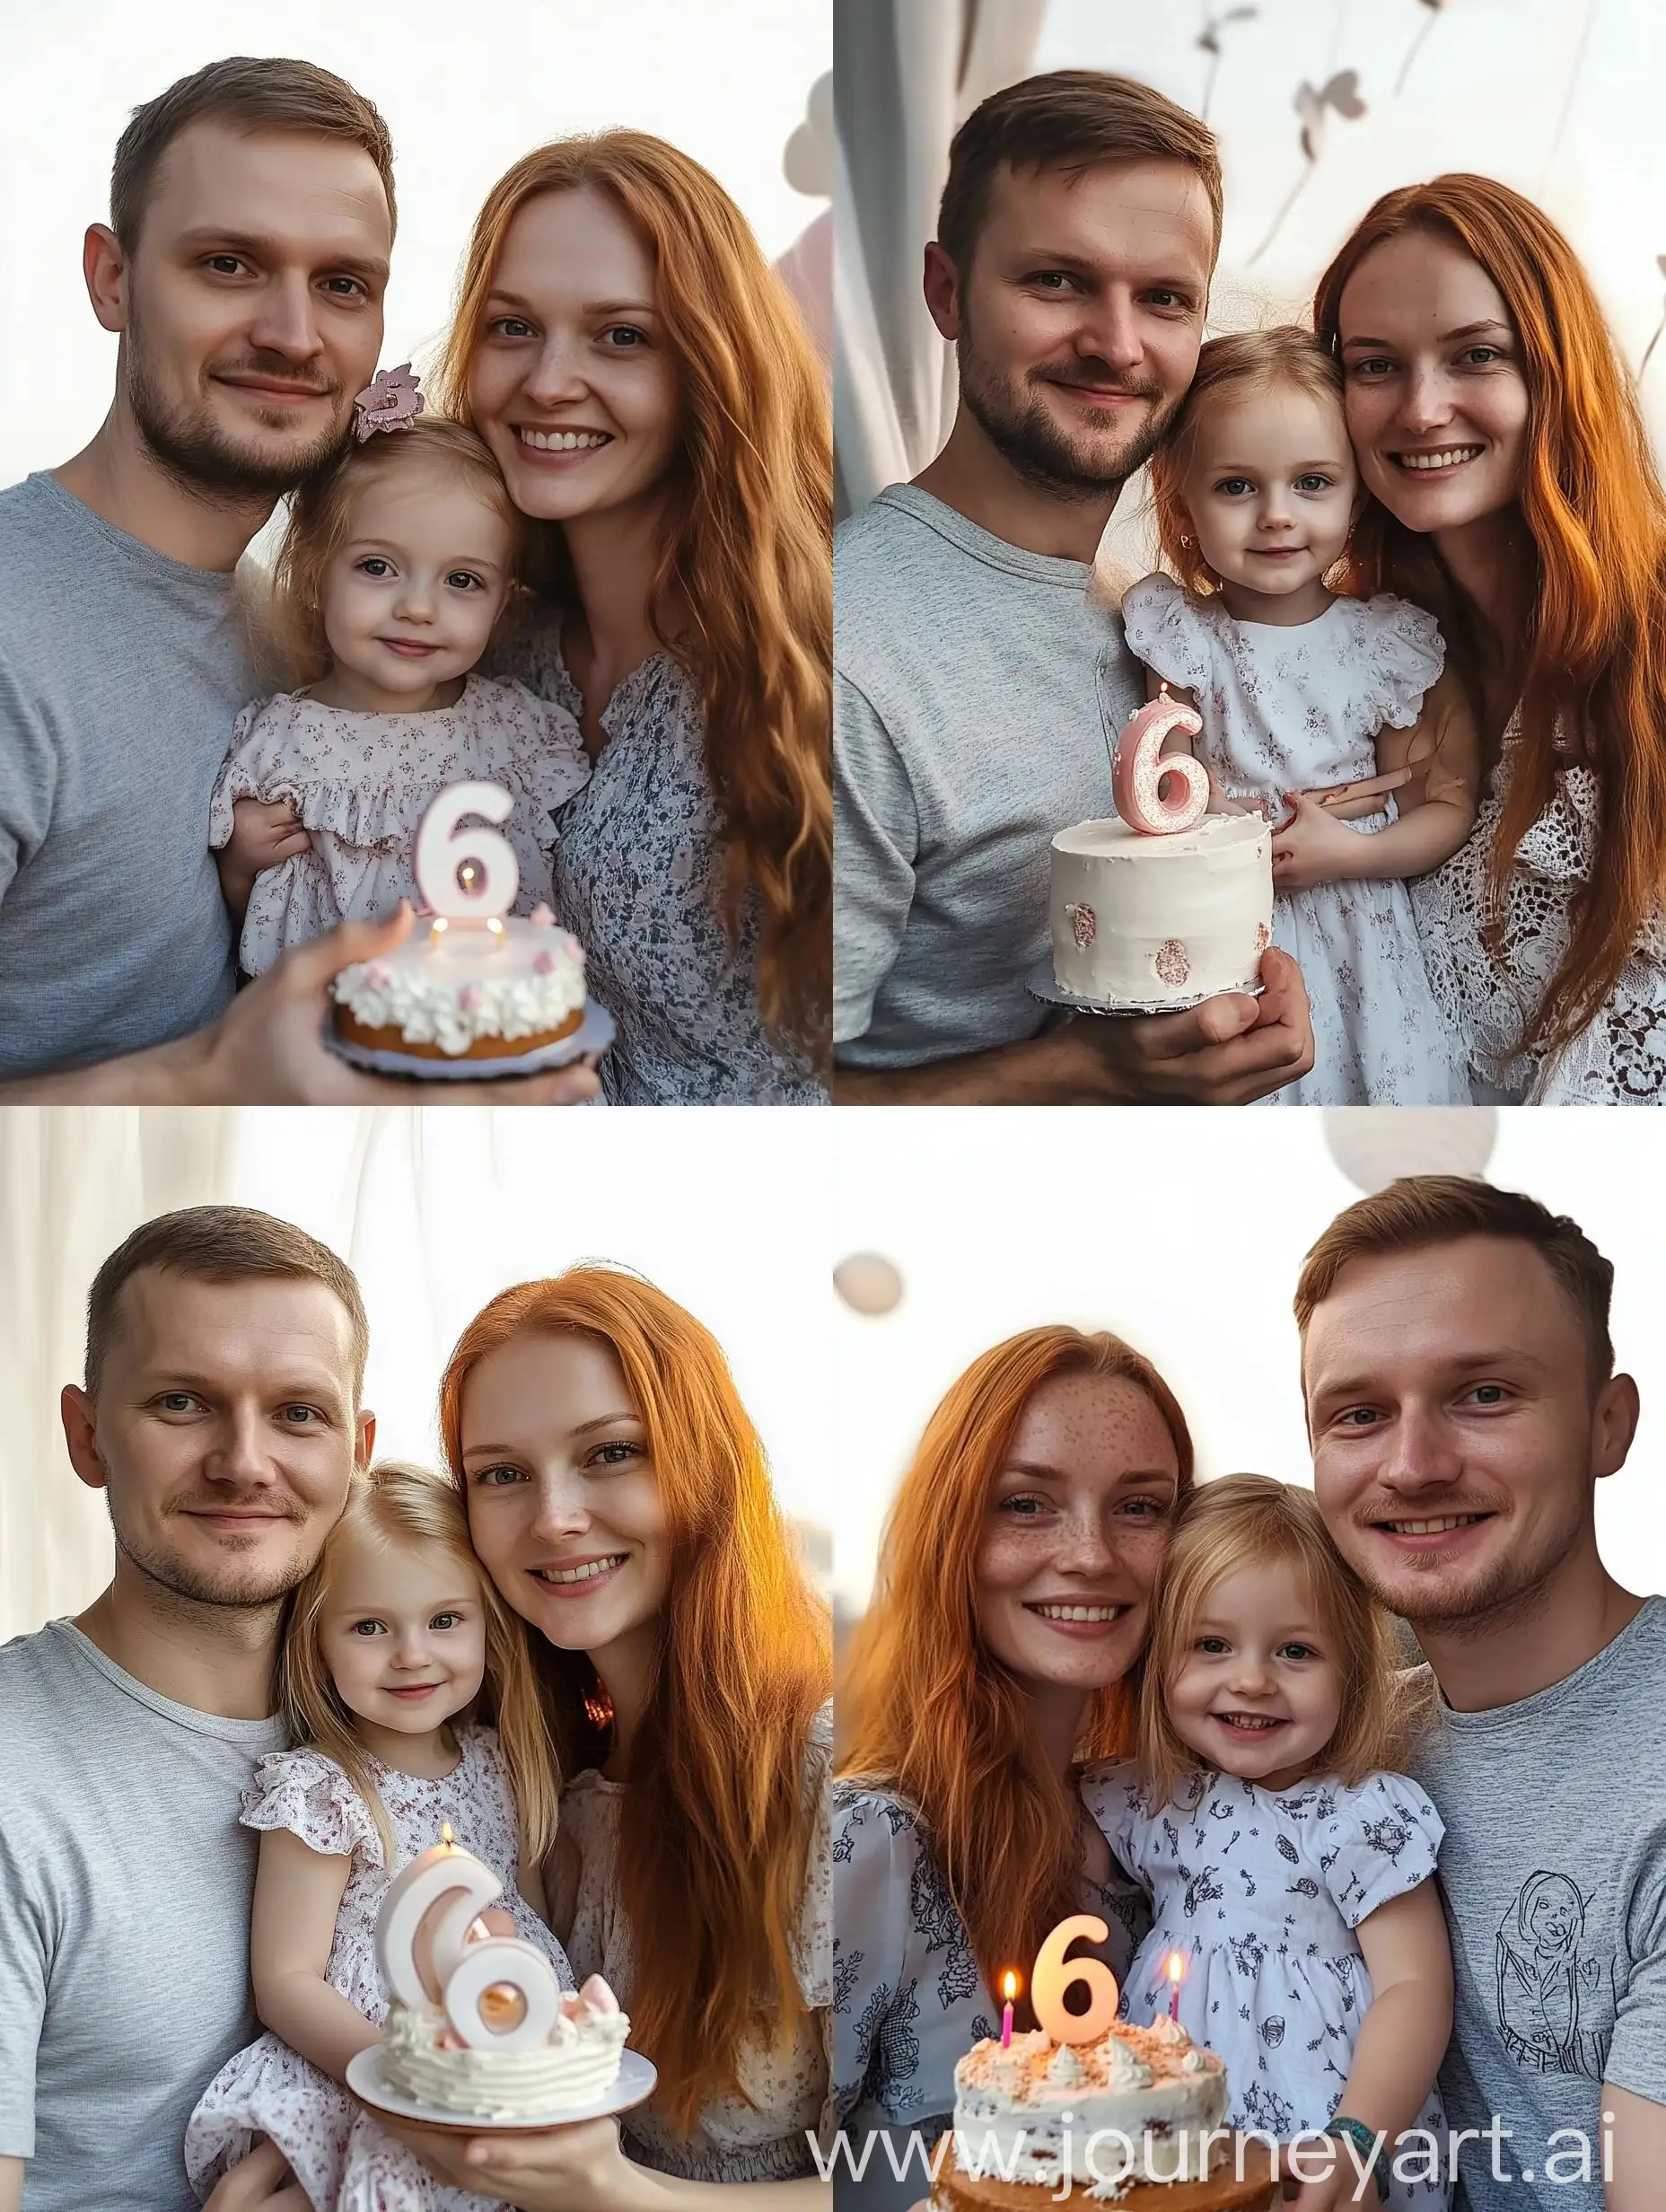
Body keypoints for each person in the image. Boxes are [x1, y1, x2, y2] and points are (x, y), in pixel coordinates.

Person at [0, 57, 595, 1106]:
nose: (292, 334)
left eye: (341, 284)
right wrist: (208, 1080)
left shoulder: (298, 624)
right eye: (227, 264)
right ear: (111, 277)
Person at [833, 71, 1314, 1104]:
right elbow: (761, 1107)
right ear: (946, 290)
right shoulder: (847, 654)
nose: (1116, 343)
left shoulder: (1146, 613)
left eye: (1163, 298)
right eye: (1055, 281)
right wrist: (1075, 1073)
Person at [379, 1266, 832, 2206]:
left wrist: (615, 2192)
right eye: (501, 1474)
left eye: (609, 1453)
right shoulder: (542, 1786)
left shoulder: (825, 1774)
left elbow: (913, 2183)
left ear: (702, 1462)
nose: (554, 1518)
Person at [433, 133, 831, 1104]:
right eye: (512, 327)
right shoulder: (479, 651)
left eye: (620, 336)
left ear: (709, 363)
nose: (548, 381)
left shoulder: (820, 650)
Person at [1297, 1175, 1666, 2208]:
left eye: (1483, 1394)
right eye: (1359, 1413)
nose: (1410, 1466)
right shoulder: (1345, 1751)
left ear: (1607, 1425)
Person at [0, 1206, 375, 2212]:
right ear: (86, 1436)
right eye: (181, 1403)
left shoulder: (410, 1724)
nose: (243, 1461)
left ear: (357, 1450)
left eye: (298, 1412)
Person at [1315, 176, 1666, 1103]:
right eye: (1373, 365)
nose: (1421, 409)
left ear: (1555, 371)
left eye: (1474, 355)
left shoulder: (1653, 644)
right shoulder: (1366, 670)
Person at [833, 1327, 1193, 2211]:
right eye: (1026, 1503)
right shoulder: (867, 1841)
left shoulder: (1166, 1837)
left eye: (1138, 1507)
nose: (1091, 1554)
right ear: (950, 1530)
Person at [185, 1462, 574, 2212]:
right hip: (365, 2061)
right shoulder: (323, 1790)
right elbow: (287, 1981)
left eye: (445, 1620)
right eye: (369, 1627)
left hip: (499, 2056)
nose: (412, 1654)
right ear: (317, 1642)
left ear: (486, 1624)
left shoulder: (503, 1764)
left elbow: (529, 1928)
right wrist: (405, 2077)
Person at [1083, 1475, 1451, 2212]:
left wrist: (1359, 2142)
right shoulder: (1150, 1797)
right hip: (1176, 2140)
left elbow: (1416, 1988)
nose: (1250, 1680)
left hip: (1323, 2137)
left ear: (1351, 1668)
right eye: (1212, 1645)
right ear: (1157, 1661)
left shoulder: (1359, 1814)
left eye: (1295, 1652)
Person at [1127, 326, 1476, 1104]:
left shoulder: (1384, 641)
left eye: (1312, 482)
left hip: (1362, 927)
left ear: (1357, 499)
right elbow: (1166, 777)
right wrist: (1220, 819)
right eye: (1237, 486)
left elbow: (1443, 803)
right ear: (1180, 503)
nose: (1277, 516)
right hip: (1237, 924)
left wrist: (1350, 853)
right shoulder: (1182, 635)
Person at [213, 408, 588, 971]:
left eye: (462, 580)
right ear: (315, 574)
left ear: (502, 601)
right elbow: (262, 931)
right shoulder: (280, 748)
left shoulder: (515, 730)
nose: (417, 608)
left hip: (492, 1032)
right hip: (331, 1036)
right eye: (378, 566)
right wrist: (240, 867)